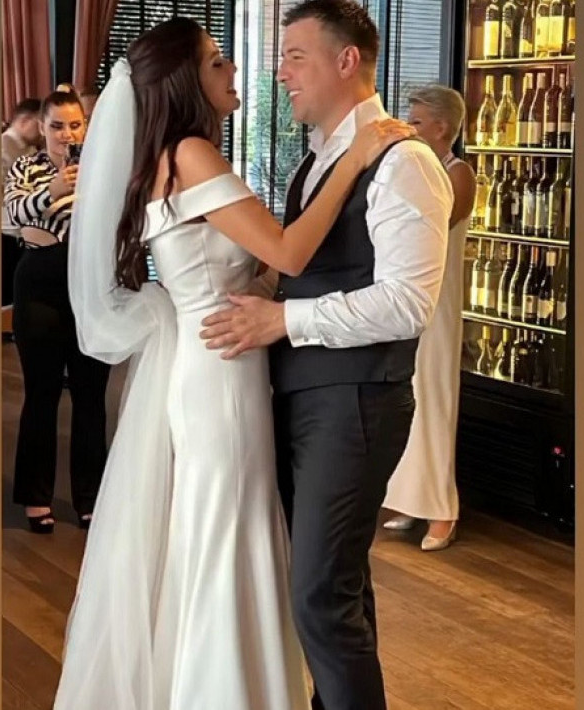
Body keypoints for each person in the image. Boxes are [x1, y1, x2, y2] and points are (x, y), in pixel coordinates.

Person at [52, 16, 410, 710]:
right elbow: (290, 253)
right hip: (222, 375)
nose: (235, 70)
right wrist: (354, 161)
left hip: (214, 360)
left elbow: (250, 274)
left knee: (216, 532)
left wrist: (270, 297)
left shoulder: (167, 158)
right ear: (186, 82)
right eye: (218, 62)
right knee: (226, 534)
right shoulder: (190, 153)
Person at [199, 3, 453, 709]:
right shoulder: (319, 158)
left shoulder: (405, 162)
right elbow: (311, 267)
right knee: (334, 587)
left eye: (295, 56)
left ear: (347, 61)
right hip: (309, 395)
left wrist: (284, 319)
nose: (280, 74)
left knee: (318, 594)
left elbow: (407, 304)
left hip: (356, 401)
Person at [4, 87, 110, 533]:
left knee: (91, 395)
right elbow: (11, 214)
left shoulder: (105, 165)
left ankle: (91, 497)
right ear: (42, 128)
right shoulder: (26, 167)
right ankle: (35, 496)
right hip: (40, 285)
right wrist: (52, 190)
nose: (67, 134)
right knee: (41, 392)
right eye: (57, 126)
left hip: (92, 284)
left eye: (75, 125)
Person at [383, 85, 476, 551]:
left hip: (438, 303)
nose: (410, 127)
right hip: (410, 296)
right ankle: (410, 498)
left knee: (435, 398)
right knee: (411, 397)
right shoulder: (418, 168)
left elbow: (436, 227)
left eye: (417, 121)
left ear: (442, 127)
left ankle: (443, 508)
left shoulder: (459, 174)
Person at [1, 98, 42, 308]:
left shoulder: (31, 151)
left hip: (27, 232)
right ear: (25, 121)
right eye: (39, 122)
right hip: (7, 234)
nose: (42, 130)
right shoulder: (3, 147)